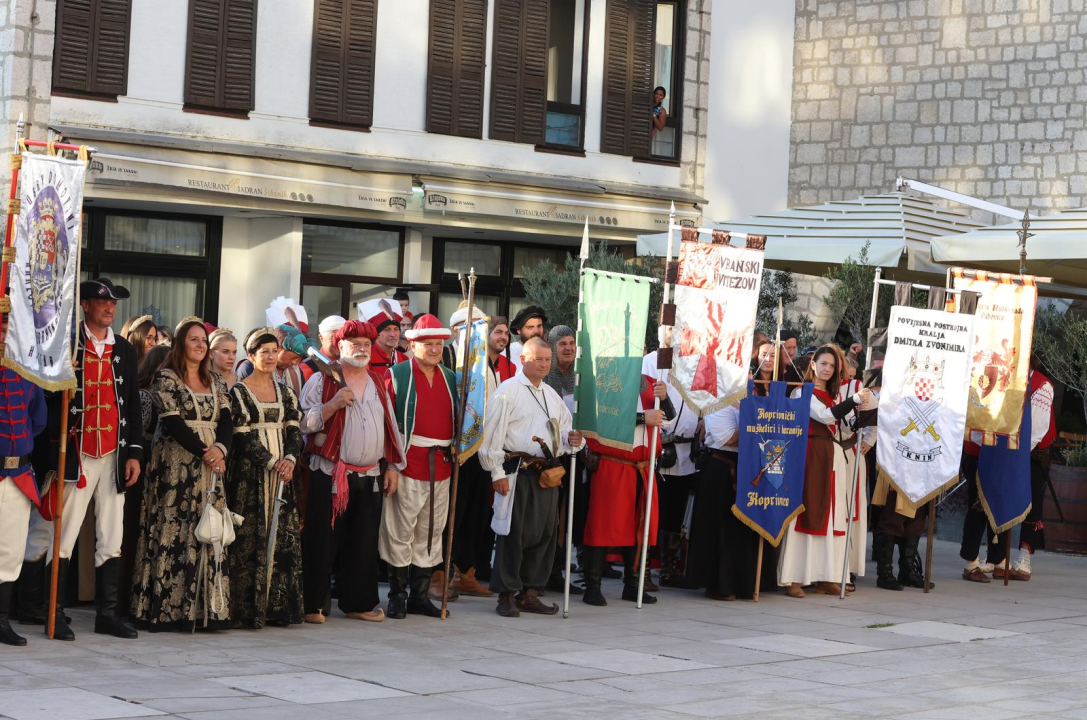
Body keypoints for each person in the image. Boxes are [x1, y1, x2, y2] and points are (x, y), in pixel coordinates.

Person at [25, 278, 143, 641]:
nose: (109, 309)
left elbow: (132, 404)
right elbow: (44, 399)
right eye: (101, 303)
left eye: (113, 304)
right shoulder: (65, 345)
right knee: (64, 533)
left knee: (113, 535)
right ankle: (52, 610)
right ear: (86, 306)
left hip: (113, 453)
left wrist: (134, 451)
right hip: (74, 455)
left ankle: (106, 614)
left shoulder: (122, 348)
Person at [130, 318, 233, 631]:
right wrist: (207, 452)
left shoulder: (217, 381)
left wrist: (221, 450)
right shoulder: (166, 378)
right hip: (176, 467)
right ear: (180, 344)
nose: (201, 345)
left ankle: (208, 611)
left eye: (204, 340)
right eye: (194, 340)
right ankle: (169, 611)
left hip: (211, 468)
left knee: (210, 532)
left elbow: (227, 420)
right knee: (177, 532)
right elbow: (173, 423)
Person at [299, 320, 405, 624]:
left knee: (363, 542)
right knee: (322, 540)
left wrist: (393, 466)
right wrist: (331, 405)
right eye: (354, 344)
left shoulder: (376, 381)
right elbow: (302, 423)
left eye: (366, 345)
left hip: (370, 474)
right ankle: (314, 604)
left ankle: (358, 603)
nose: (362, 349)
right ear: (339, 347)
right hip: (330, 474)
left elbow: (390, 428)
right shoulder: (322, 381)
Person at [480, 337, 582, 616]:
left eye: (547, 360)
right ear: (523, 359)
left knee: (545, 534)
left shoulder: (551, 394)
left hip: (547, 474)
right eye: (538, 359)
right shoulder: (507, 391)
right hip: (518, 472)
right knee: (513, 534)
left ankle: (531, 592)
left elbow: (562, 433)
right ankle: (506, 595)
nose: (544, 364)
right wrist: (496, 472)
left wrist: (573, 439)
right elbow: (492, 437)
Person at [227, 329, 305, 629]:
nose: (271, 357)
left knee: (283, 539)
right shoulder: (240, 392)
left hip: (283, 475)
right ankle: (249, 608)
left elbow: (294, 428)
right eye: (265, 352)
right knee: (251, 538)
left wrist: (290, 459)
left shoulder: (285, 391)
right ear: (252, 356)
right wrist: (272, 462)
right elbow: (242, 436)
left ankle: (278, 606)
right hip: (252, 477)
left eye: (275, 351)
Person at [381, 314, 458, 619]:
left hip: (442, 464)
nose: (435, 349)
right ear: (412, 344)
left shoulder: (452, 378)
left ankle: (420, 596)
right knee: (400, 529)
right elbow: (387, 425)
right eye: (428, 343)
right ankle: (398, 596)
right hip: (407, 461)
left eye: (438, 344)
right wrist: (390, 465)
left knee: (432, 530)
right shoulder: (397, 375)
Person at [778, 345, 869, 598]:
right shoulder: (801, 393)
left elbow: (845, 426)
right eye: (824, 364)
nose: (828, 369)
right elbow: (826, 417)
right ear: (814, 364)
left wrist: (862, 412)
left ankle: (827, 576)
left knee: (833, 517)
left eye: (832, 366)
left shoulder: (836, 397)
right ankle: (793, 578)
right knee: (807, 513)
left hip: (833, 456)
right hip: (810, 457)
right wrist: (854, 400)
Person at [960, 358, 1054, 583]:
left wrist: (1012, 456)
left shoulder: (1041, 385)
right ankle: (971, 563)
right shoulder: (993, 380)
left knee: (1005, 504)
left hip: (1021, 454)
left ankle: (1000, 559)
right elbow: (978, 418)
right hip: (986, 450)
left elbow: (1035, 431)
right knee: (979, 505)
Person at [581, 376, 669, 606]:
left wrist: (665, 399)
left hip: (643, 466)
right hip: (613, 462)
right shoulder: (604, 380)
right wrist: (642, 418)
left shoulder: (651, 382)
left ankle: (633, 585)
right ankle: (592, 587)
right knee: (602, 525)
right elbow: (601, 418)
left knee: (640, 525)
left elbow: (666, 419)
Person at [448, 315, 516, 597]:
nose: (503, 337)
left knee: (478, 514)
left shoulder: (501, 368)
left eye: (505, 333)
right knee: (458, 512)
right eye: (497, 332)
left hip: (488, 451)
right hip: (465, 449)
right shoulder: (465, 363)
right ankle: (445, 572)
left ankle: (467, 573)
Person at [645, 331, 701, 588]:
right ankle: (644, 568)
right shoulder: (652, 361)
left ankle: (668, 568)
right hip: (661, 446)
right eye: (670, 331)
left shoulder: (696, 364)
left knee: (676, 511)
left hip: (687, 450)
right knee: (655, 509)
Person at [0, 361, 47, 647]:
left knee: (11, 550)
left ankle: (1, 620)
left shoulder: (26, 372)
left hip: (17, 473)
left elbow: (37, 419)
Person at [237, 325, 311, 397]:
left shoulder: (297, 372)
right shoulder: (249, 366)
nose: (295, 363)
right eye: (293, 357)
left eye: (299, 359)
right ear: (279, 348)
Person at [359, 298, 407, 372]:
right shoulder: (366, 358)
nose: (393, 334)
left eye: (396, 329)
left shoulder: (404, 359)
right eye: (387, 329)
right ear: (376, 334)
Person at [300, 315, 346, 386]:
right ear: (321, 338)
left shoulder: (354, 363)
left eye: (343, 339)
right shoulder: (307, 367)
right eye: (333, 339)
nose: (339, 344)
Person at [507, 306, 547, 371]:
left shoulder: (547, 353)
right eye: (530, 327)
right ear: (519, 330)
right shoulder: (509, 352)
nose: (536, 331)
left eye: (539, 326)